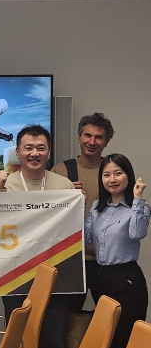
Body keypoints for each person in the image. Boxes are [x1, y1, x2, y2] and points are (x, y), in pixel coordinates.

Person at [0, 124, 74, 348]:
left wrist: (79, 202)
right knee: (17, 340)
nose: (34, 153)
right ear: (18, 151)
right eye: (28, 148)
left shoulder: (63, 185)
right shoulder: (6, 185)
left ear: (48, 152)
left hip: (56, 275)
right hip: (16, 275)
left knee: (55, 341)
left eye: (41, 148)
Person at [85, 154, 148, 348]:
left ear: (128, 176)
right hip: (101, 279)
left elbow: (137, 233)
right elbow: (84, 239)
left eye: (118, 173)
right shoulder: (97, 207)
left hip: (127, 280)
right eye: (106, 174)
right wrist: (78, 208)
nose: (112, 179)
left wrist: (138, 199)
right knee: (107, 341)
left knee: (125, 341)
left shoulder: (138, 207)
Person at [51, 112, 114, 312]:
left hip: (106, 262)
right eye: (87, 135)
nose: (92, 142)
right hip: (70, 260)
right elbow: (47, 215)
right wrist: (65, 194)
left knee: (110, 318)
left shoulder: (114, 172)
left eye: (99, 137)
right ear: (79, 137)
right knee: (65, 318)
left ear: (106, 141)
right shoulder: (60, 171)